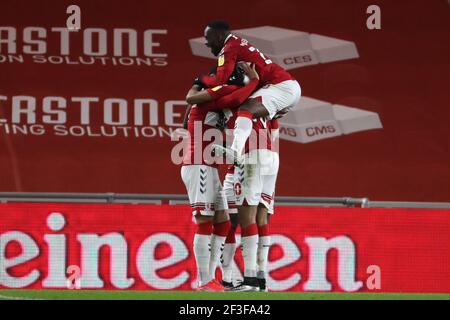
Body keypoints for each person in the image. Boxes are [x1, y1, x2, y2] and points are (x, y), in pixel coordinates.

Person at [180, 63, 259, 291]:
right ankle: (204, 281)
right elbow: (242, 98)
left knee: (223, 222)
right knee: (205, 221)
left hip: (208, 165)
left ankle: (212, 279)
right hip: (198, 165)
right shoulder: (220, 92)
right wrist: (253, 81)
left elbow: (187, 121)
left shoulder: (209, 96)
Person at [198, 20, 301, 163]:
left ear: (220, 36)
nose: (206, 43)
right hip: (288, 87)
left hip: (279, 86)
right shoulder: (238, 43)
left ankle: (235, 151)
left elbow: (220, 81)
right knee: (266, 116)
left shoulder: (228, 48)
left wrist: (200, 80)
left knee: (246, 109)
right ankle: (271, 152)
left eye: (208, 38)